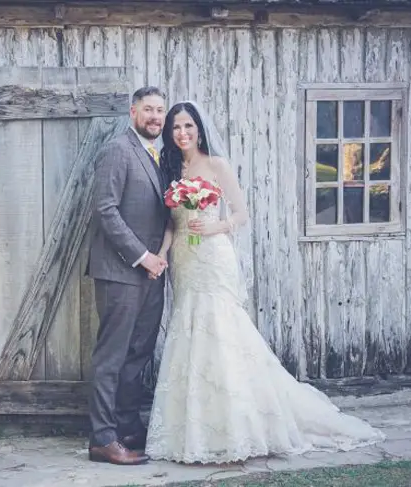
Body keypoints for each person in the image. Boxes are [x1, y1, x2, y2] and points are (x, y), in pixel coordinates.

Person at [144, 101, 386, 464]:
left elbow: (241, 213)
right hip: (183, 259)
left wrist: (215, 226)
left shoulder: (216, 164)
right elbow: (170, 224)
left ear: (199, 129)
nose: (182, 133)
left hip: (212, 255)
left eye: (188, 126)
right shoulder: (170, 167)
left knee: (222, 331)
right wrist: (161, 255)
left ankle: (238, 425)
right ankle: (194, 427)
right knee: (189, 331)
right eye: (176, 128)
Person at [86, 86, 170, 465]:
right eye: (148, 109)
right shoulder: (119, 150)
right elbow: (105, 210)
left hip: (153, 274)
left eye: (160, 111)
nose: (155, 117)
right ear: (133, 111)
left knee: (139, 354)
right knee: (112, 356)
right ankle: (103, 439)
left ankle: (128, 426)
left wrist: (160, 258)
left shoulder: (159, 155)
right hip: (121, 271)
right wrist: (142, 257)